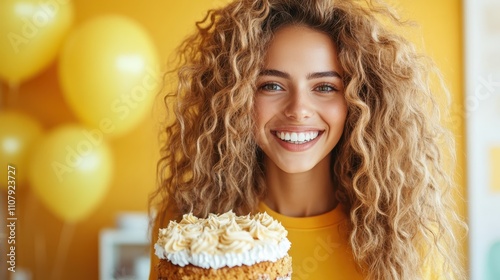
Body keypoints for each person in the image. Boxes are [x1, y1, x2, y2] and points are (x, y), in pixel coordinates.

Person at [148, 0, 467, 279]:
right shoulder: (189, 226)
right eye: (271, 86)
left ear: (360, 102)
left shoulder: (403, 237)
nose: (298, 110)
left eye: (325, 87)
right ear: (233, 98)